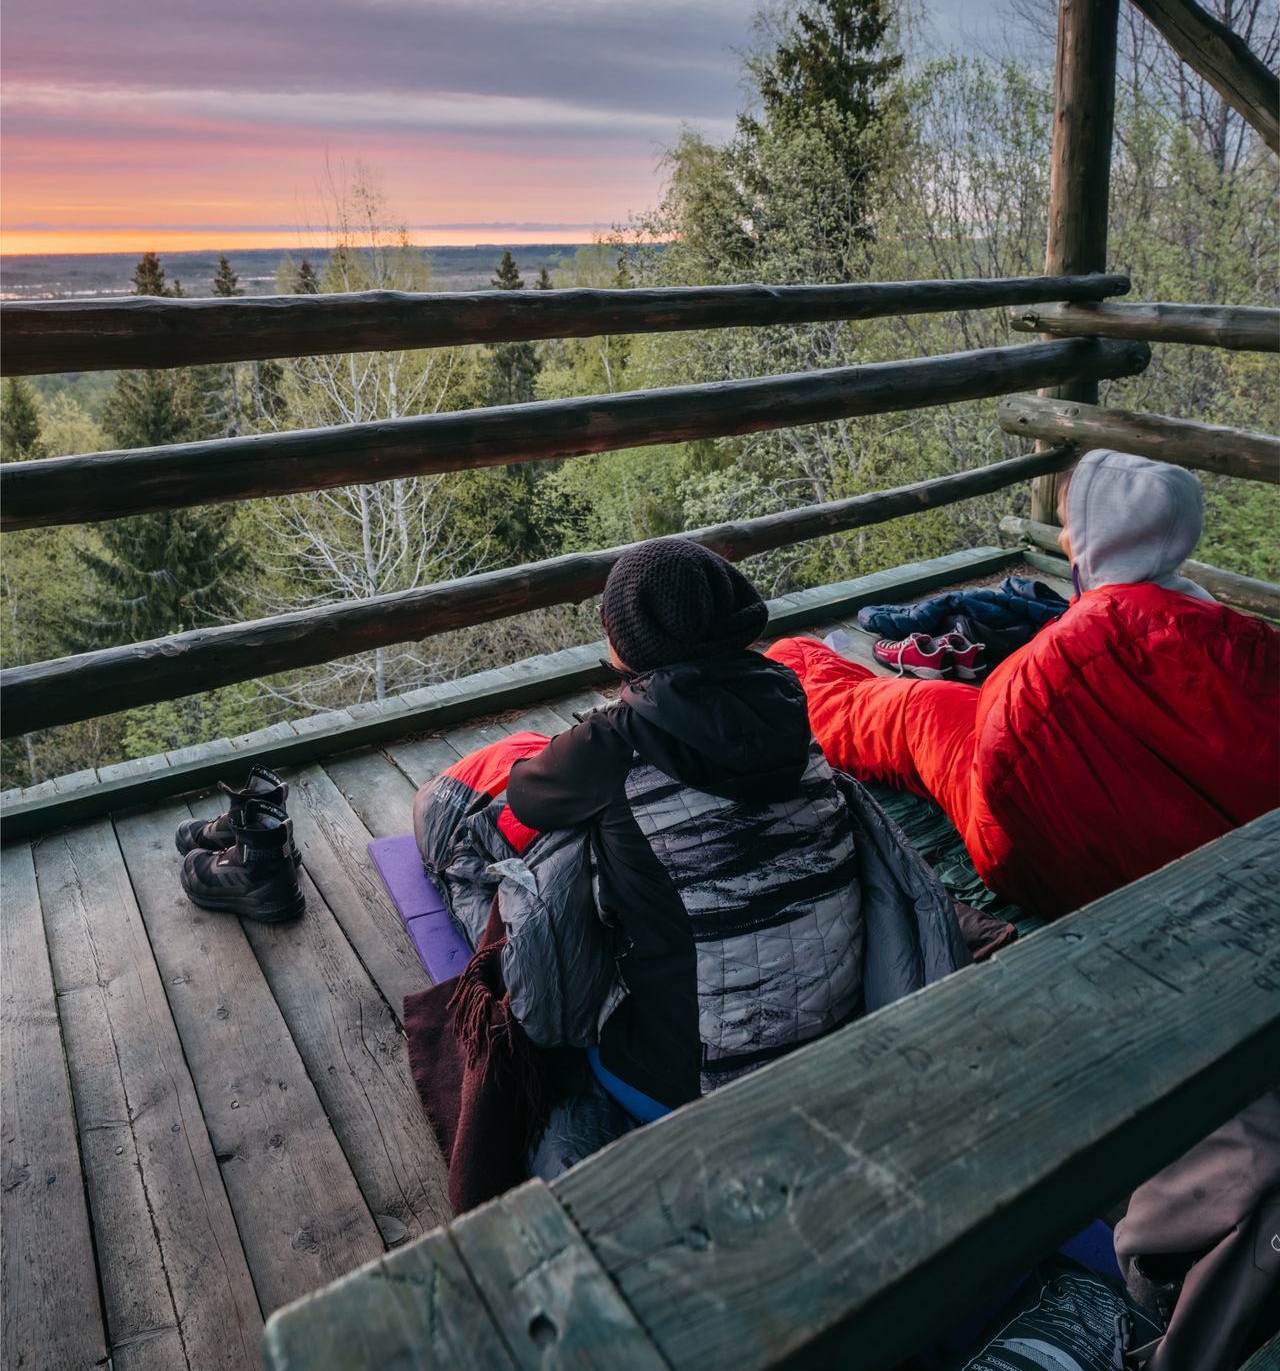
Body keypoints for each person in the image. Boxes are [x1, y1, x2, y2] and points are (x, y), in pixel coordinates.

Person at [413, 536, 969, 1125]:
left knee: (489, 830)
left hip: (682, 1083)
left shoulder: (613, 743)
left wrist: (596, 731)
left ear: (630, 642)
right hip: (836, 1043)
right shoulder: (788, 703)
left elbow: (525, 795)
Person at [767, 450, 1278, 919]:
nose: (1061, 539)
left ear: (1105, 536)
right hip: (1213, 843)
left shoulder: (1066, 652)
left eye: (1068, 527)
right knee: (943, 703)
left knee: (919, 707)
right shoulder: (1227, 630)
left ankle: (793, 667)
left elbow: (1005, 746)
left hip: (1043, 848)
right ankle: (810, 665)